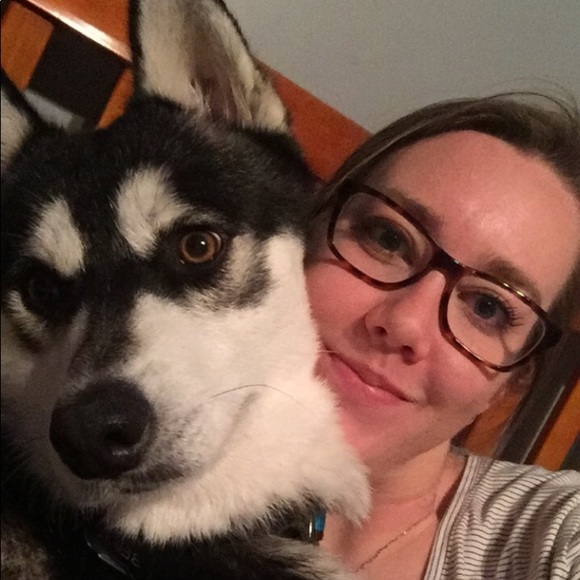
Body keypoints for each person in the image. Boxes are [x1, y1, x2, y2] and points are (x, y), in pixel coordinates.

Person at [304, 93, 580, 579]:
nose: (406, 323)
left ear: (512, 380)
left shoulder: (555, 534)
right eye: (388, 238)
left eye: (488, 308)